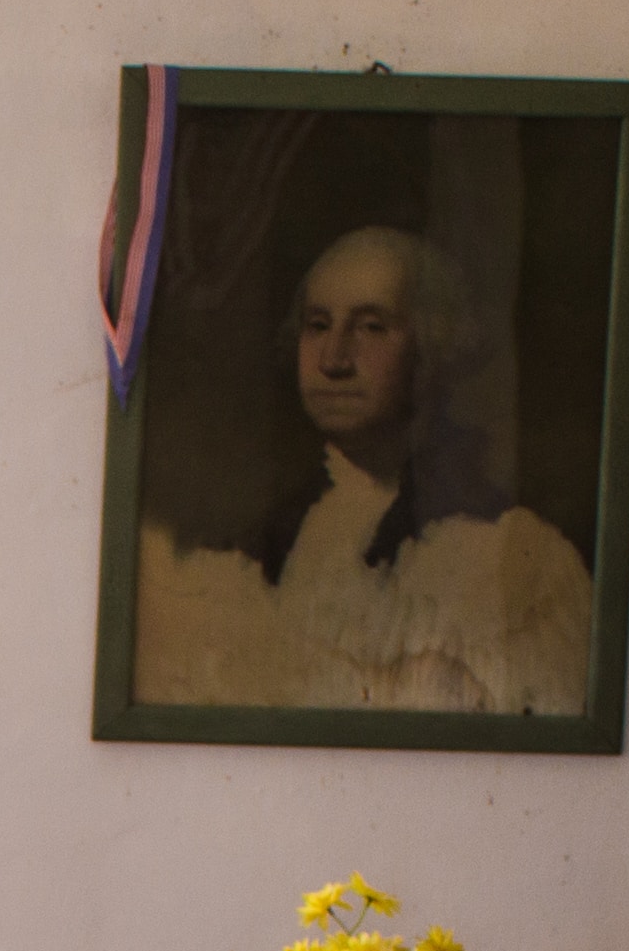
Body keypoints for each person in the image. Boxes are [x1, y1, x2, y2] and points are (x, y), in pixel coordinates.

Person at [135, 224, 594, 717]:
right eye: (317, 325)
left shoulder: (518, 559)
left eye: (371, 326)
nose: (333, 360)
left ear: (431, 346)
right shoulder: (247, 548)